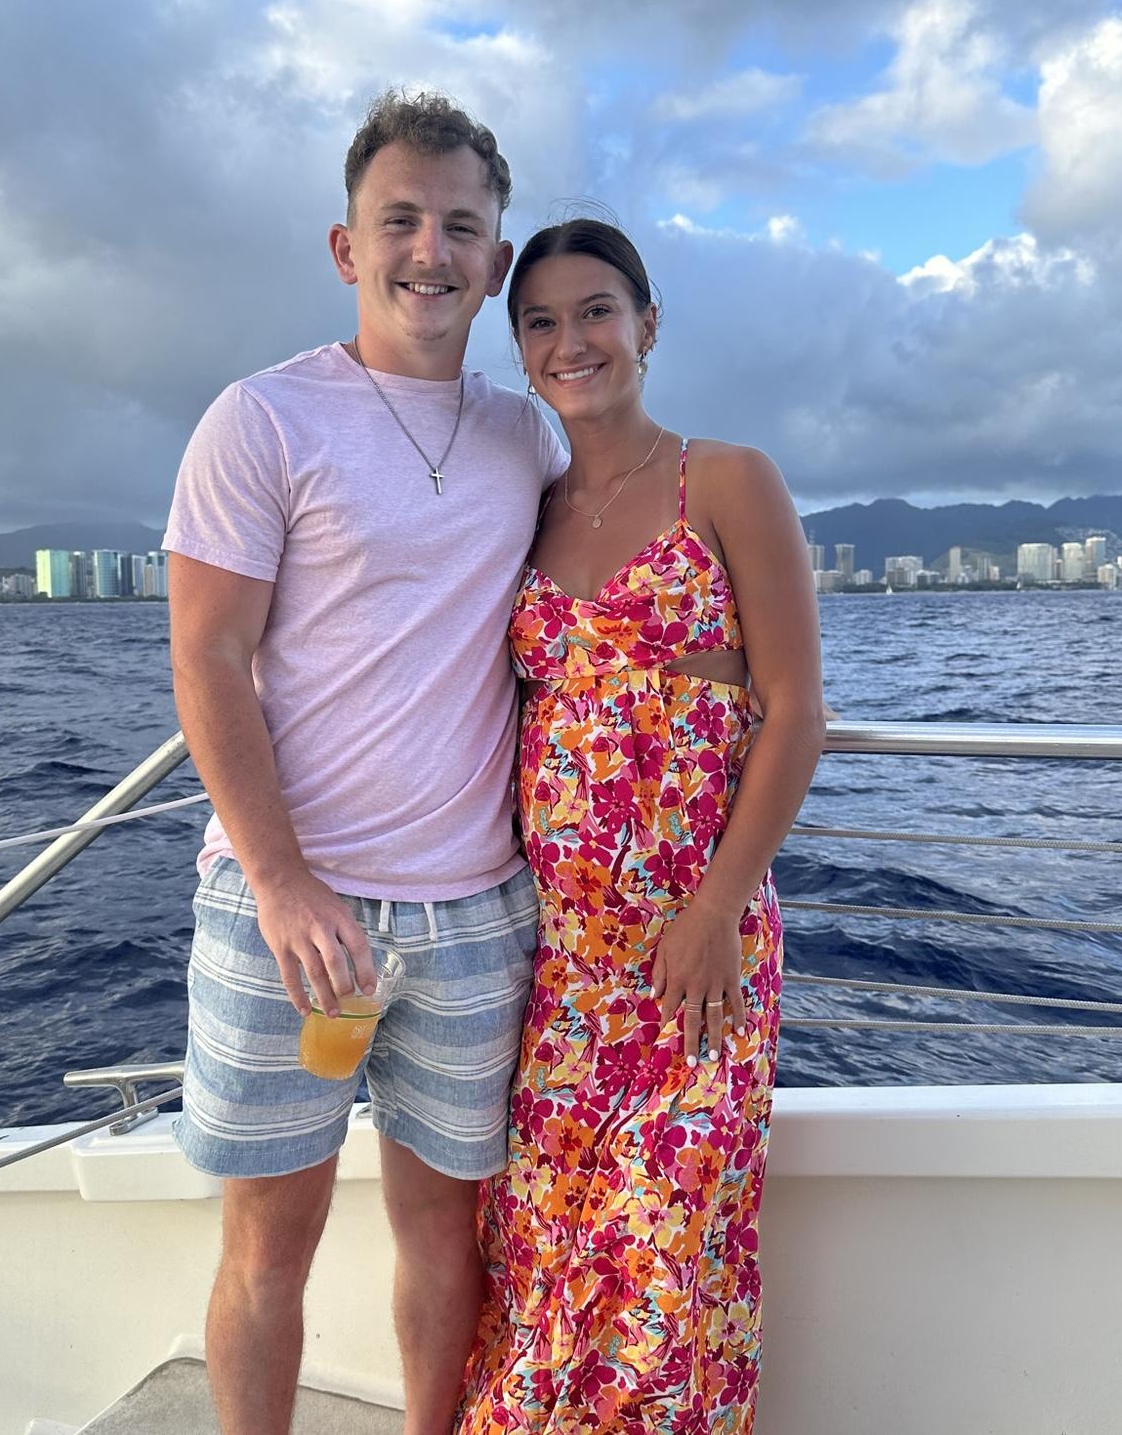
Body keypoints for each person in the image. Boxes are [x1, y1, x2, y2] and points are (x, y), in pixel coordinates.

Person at [161, 91, 567, 1435]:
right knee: (267, 1250)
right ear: (347, 248)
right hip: (291, 909)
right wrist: (282, 884)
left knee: (446, 1239)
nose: (429, 251)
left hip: (475, 913)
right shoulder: (262, 420)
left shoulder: (527, 439)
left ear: (495, 261)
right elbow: (209, 658)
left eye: (461, 226)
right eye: (400, 221)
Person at [457, 219, 825, 1433]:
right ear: (520, 350)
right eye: (541, 322)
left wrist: (717, 909)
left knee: (666, 1271)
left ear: (648, 326)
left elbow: (795, 714)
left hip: (695, 959)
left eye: (596, 312)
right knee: (546, 1257)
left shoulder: (725, 480)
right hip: (562, 966)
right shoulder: (527, 508)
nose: (571, 341)